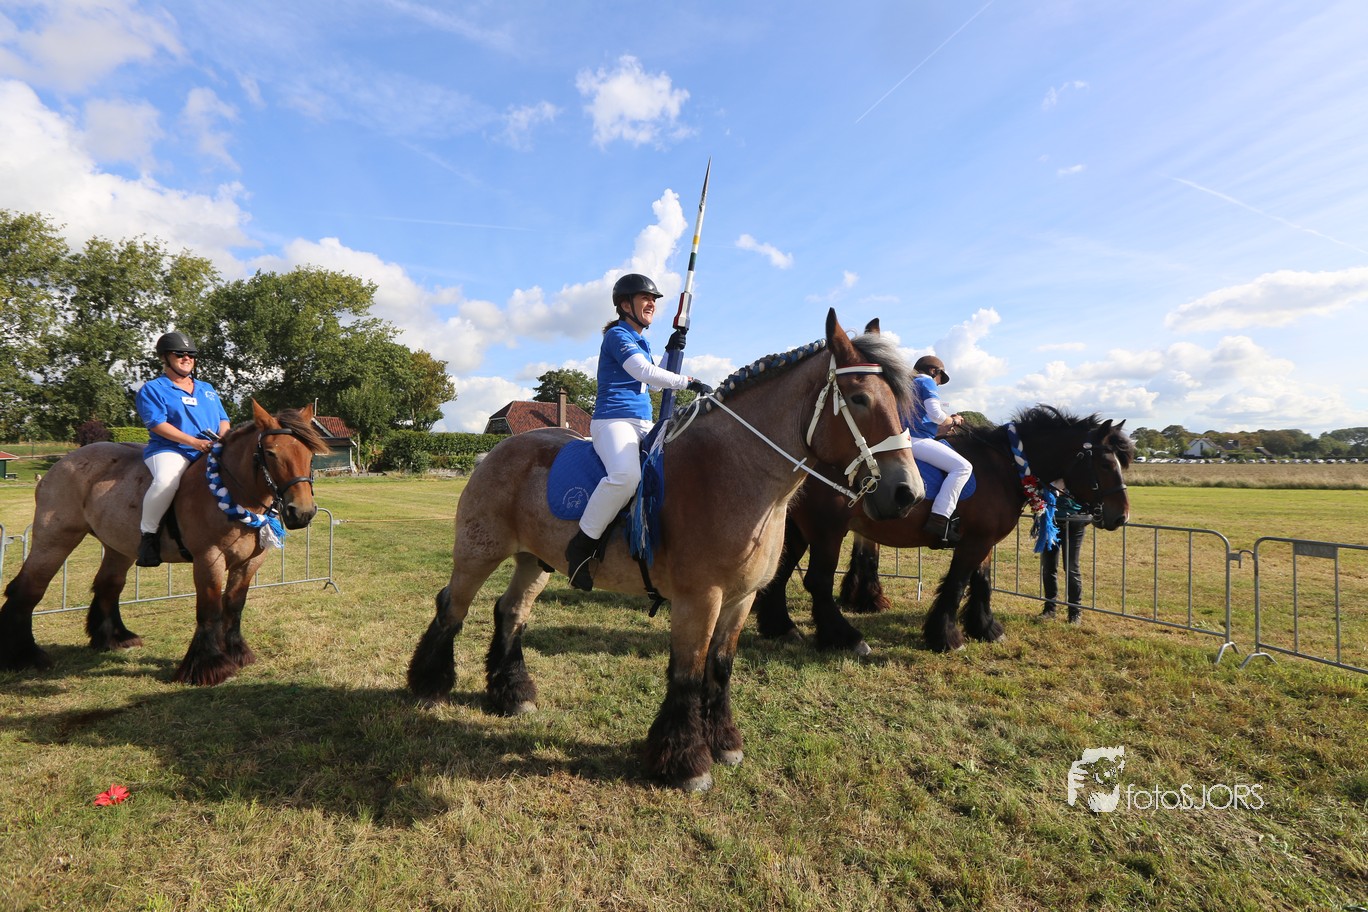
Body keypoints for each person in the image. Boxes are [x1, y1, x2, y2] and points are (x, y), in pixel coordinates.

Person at [565, 273, 712, 590]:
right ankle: (580, 546)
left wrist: (670, 351)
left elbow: (651, 380)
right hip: (613, 421)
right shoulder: (617, 335)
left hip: (643, 422)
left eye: (654, 299)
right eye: (645, 298)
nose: (651, 304)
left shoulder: (640, 341)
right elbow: (643, 371)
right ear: (624, 305)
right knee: (625, 477)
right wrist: (688, 381)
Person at [134, 331, 231, 568]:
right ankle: (148, 537)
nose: (186, 358)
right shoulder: (153, 389)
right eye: (179, 354)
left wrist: (222, 439)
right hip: (170, 450)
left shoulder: (207, 388)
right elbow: (157, 424)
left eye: (191, 354)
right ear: (165, 358)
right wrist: (194, 442)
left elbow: (223, 419)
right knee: (166, 482)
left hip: (208, 448)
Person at [907, 355, 973, 545]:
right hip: (916, 440)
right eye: (939, 379)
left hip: (901, 439)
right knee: (963, 467)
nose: (938, 384)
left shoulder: (905, 384)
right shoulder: (926, 381)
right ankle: (939, 518)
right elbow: (936, 414)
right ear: (933, 371)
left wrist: (941, 427)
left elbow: (922, 420)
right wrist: (953, 420)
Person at [1040, 484, 1089, 622]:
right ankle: (1050, 608)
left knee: (1071, 567)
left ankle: (1075, 611)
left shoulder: (1079, 476)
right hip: (1051, 521)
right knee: (1048, 567)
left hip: (1074, 523)